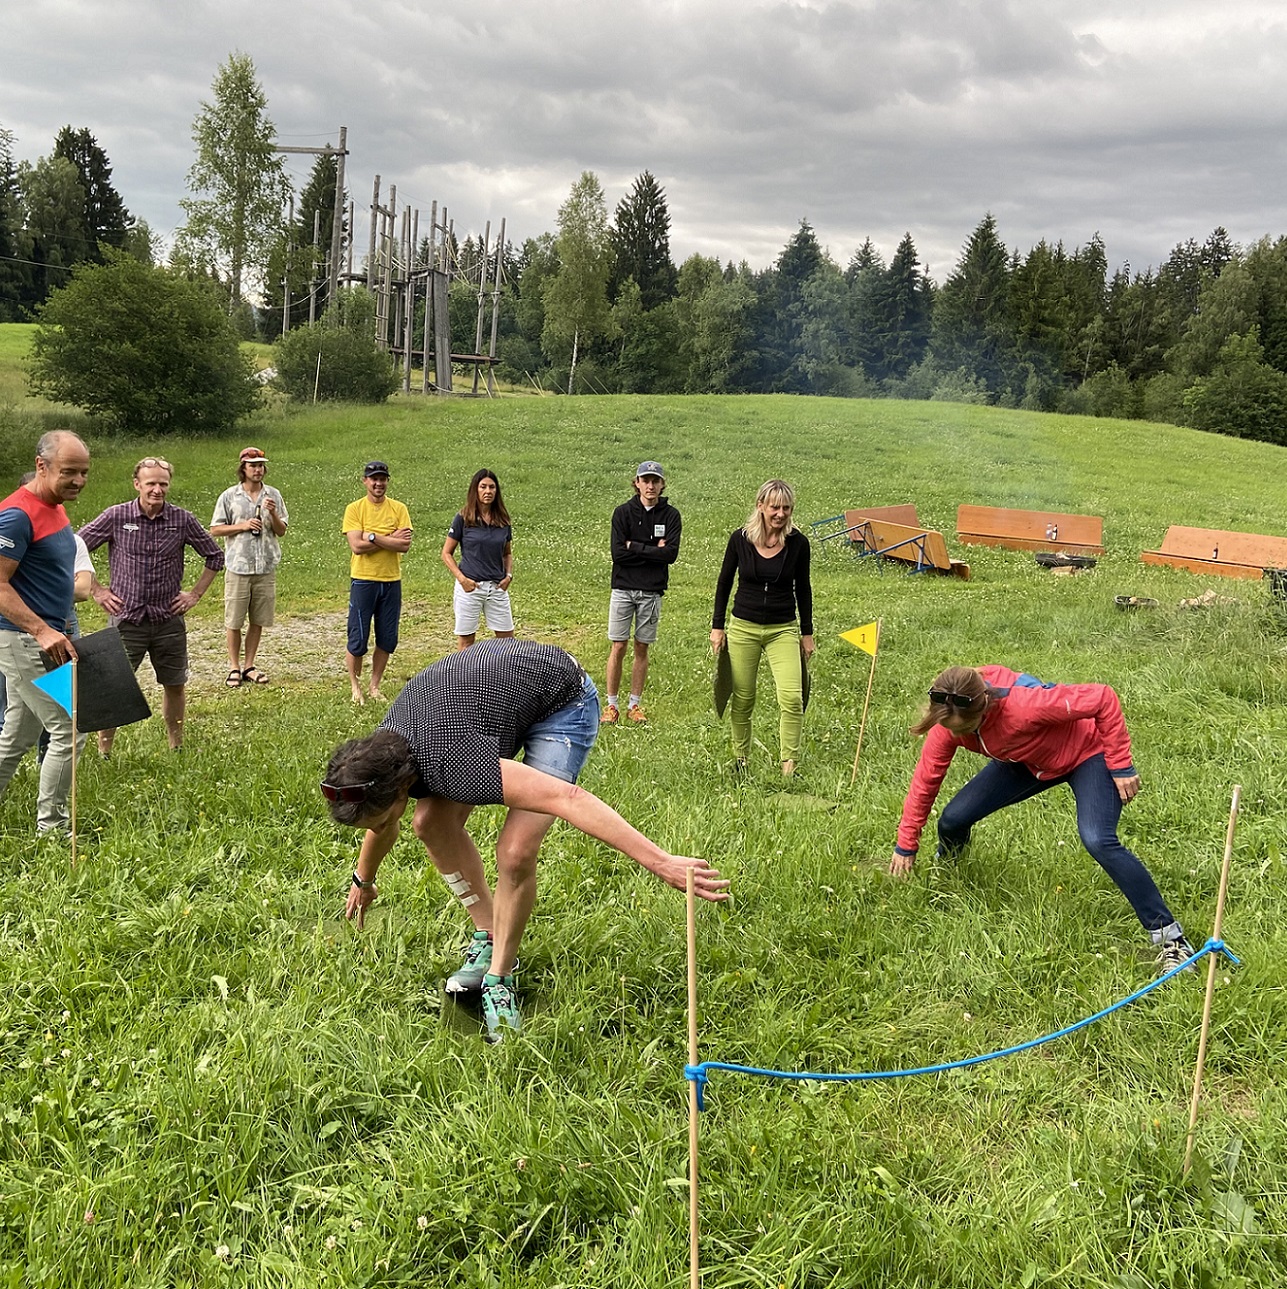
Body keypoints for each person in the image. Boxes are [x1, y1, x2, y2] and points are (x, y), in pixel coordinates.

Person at [322, 639, 728, 1041]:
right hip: (495, 697)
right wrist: (363, 879)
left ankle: (500, 977)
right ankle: (491, 934)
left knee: (515, 851)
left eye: (379, 820)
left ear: (397, 790)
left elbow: (566, 798)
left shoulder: (446, 761)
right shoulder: (384, 754)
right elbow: (385, 824)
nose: (378, 830)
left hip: (562, 699)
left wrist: (661, 862)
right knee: (430, 823)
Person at [888, 664, 1196, 974]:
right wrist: (906, 844)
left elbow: (1103, 697)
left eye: (962, 730)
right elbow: (926, 780)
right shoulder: (949, 716)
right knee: (954, 819)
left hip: (1086, 756)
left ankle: (1171, 938)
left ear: (982, 712)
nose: (954, 735)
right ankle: (949, 873)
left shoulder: (1024, 706)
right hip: (1026, 761)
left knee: (1097, 838)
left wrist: (1121, 765)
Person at [79, 456, 226, 754]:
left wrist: (194, 594)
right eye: (151, 484)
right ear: (137, 484)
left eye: (163, 483)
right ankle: (104, 751)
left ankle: (176, 745)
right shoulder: (116, 516)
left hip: (167, 620)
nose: (157, 490)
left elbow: (215, 556)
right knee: (113, 685)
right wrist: (96, 590)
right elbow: (75, 547)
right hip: (126, 619)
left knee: (174, 684)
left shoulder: (181, 519)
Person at [0, 432, 90, 834]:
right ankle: (52, 829)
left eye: (84, 472)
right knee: (69, 730)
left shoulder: (54, 507)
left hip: (53, 635)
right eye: (69, 472)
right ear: (41, 465)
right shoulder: (17, 515)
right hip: (25, 639)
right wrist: (41, 630)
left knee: (18, 735)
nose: (78, 480)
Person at [710, 479, 815, 777]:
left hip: (783, 629)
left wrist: (806, 634)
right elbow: (724, 583)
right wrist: (718, 627)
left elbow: (803, 589)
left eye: (786, 508)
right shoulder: (739, 540)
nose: (780, 514)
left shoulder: (798, 543)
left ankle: (788, 765)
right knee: (743, 697)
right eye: (774, 507)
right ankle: (741, 759)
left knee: (792, 697)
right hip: (743, 627)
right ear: (760, 506)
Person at [603, 461, 681, 725]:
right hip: (623, 587)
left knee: (641, 646)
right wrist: (651, 550)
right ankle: (611, 705)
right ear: (636, 483)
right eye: (645, 480)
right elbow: (617, 553)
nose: (650, 486)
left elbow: (670, 555)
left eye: (655, 481)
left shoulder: (671, 516)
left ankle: (634, 705)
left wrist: (633, 546)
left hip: (651, 591)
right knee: (618, 645)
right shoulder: (622, 513)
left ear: (662, 484)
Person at [209, 446, 289, 688]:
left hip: (265, 566)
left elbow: (282, 530)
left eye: (261, 465)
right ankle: (234, 666)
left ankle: (249, 665)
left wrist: (273, 514)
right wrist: (242, 525)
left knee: (258, 619)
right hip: (238, 566)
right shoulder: (229, 496)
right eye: (253, 465)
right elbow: (215, 529)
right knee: (234, 620)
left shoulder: (273, 495)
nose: (258, 469)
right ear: (243, 468)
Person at [341, 462, 413, 704]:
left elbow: (404, 544)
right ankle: (355, 687)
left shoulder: (399, 509)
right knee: (358, 637)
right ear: (365, 481)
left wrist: (371, 535)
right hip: (363, 580)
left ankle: (374, 686)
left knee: (387, 638)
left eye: (382, 479)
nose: (378, 483)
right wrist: (388, 538)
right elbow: (356, 547)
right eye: (373, 479)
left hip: (391, 580)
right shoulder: (355, 509)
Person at [440, 468, 514, 650]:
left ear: (496, 491)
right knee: (466, 643)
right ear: (475, 490)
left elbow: (507, 553)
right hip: (470, 588)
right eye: (483, 487)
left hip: (497, 588)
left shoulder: (503, 521)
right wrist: (462, 579)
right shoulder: (463, 518)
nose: (487, 491)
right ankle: (463, 678)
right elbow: (446, 553)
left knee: (507, 642)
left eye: (491, 487)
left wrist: (509, 576)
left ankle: (504, 677)